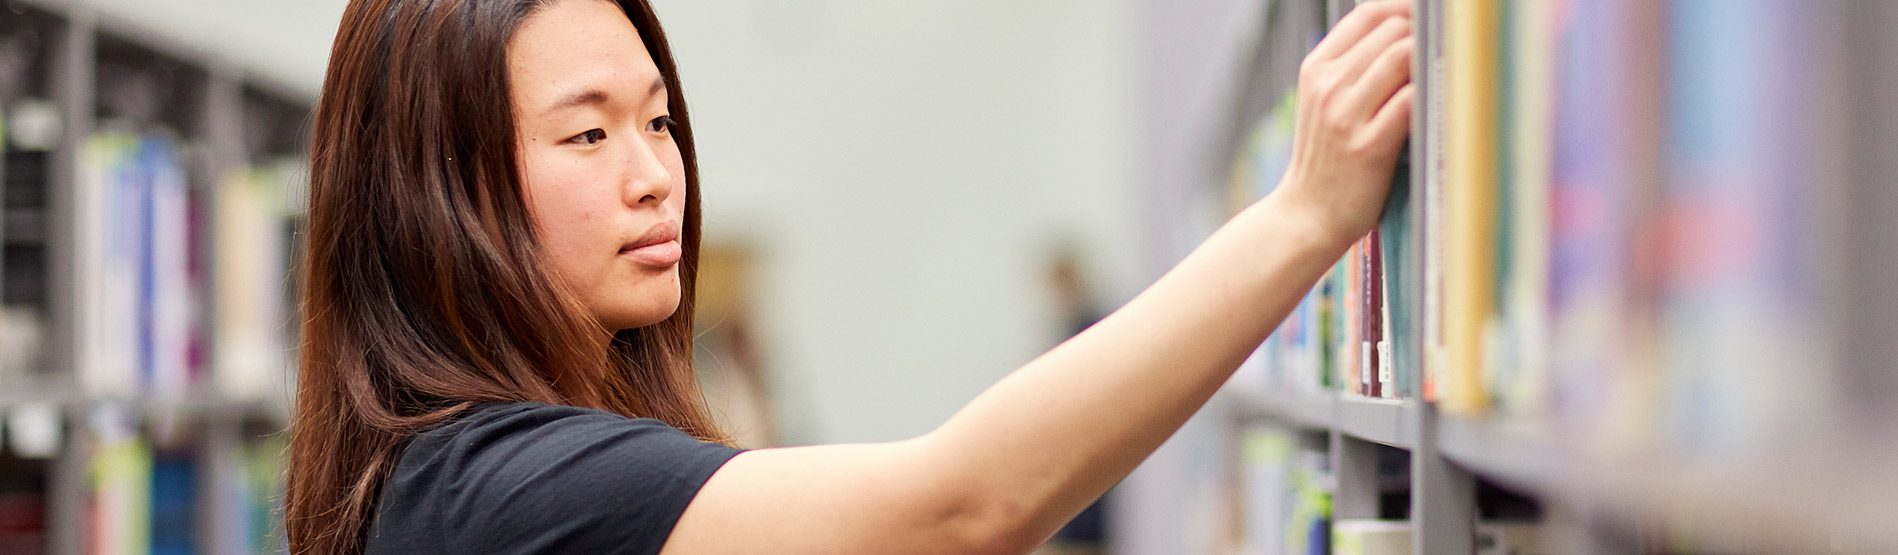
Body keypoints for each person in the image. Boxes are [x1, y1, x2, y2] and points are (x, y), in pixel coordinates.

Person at [286, 0, 1415, 553]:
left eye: (660, 121)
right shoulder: (498, 486)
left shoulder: (475, 461)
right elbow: (964, 503)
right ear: (439, 191)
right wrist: (1304, 215)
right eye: (587, 137)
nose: (654, 178)